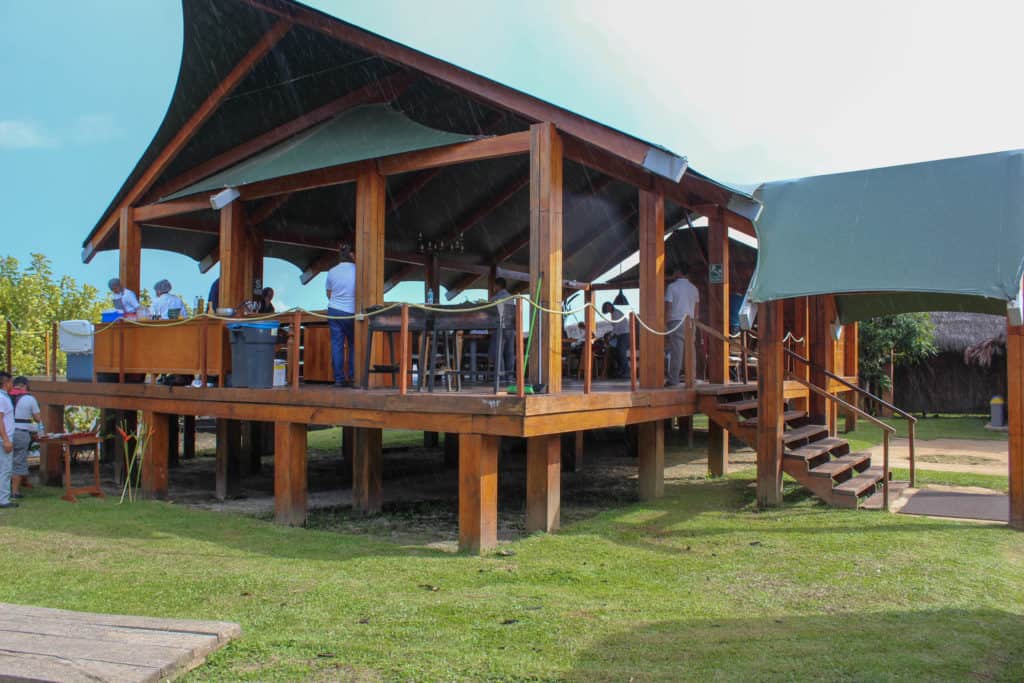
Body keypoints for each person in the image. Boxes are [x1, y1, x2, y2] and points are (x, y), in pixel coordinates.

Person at [325, 243, 356, 386]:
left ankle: (339, 379)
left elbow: (329, 293)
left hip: (334, 311)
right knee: (353, 345)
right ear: (352, 255)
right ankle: (353, 376)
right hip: (350, 312)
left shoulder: (331, 271)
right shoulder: (357, 270)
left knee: (337, 345)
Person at [664, 264, 700, 386]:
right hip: (691, 321)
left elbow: (668, 307)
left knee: (676, 351)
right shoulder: (694, 288)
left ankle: (673, 379)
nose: (673, 273)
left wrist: (666, 323)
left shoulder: (672, 287)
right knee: (691, 351)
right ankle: (692, 378)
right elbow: (696, 310)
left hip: (676, 321)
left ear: (679, 271)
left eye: (675, 271)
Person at [9, 376, 40, 499]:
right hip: (21, 433)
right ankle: (15, 492)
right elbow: (37, 418)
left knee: (5, 461)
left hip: (6, 432)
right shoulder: (29, 398)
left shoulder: (5, 396)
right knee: (19, 460)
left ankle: (4, 488)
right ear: (26, 386)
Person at [488, 278, 516, 382]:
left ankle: (501, 378)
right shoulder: (511, 297)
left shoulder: (496, 297)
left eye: (494, 286)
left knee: (498, 353)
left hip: (500, 326)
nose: (493, 288)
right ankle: (510, 377)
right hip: (511, 328)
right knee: (509, 353)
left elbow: (488, 308)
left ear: (497, 286)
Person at [602, 302, 631, 379]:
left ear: (610, 306)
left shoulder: (616, 313)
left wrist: (610, 335)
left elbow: (617, 327)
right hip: (621, 335)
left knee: (621, 352)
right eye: (606, 308)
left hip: (624, 334)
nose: (608, 308)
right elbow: (616, 328)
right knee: (617, 352)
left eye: (608, 306)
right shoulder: (613, 313)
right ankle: (621, 370)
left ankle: (627, 372)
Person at [0, 372, 16, 509]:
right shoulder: (2, 398)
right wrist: (6, 439)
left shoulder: (4, 397)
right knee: (5, 469)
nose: (12, 385)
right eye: (11, 382)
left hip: (4, 437)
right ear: (6, 383)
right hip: (3, 438)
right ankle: (3, 499)